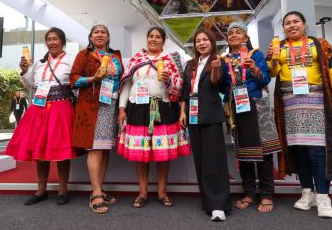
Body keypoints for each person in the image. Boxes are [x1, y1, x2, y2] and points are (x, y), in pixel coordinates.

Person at [267, 11, 332, 218]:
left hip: (317, 102)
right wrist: (274, 59)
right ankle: (306, 192)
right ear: (283, 28)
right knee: (299, 150)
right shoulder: (279, 47)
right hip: (290, 104)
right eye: (287, 23)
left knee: (317, 150)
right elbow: (272, 73)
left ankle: (323, 197)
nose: (291, 26)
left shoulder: (319, 43)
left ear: (304, 24)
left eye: (296, 22)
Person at [117, 26, 190, 208]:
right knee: (141, 154)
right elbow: (126, 85)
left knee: (162, 153)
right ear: (147, 39)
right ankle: (142, 193)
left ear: (163, 41)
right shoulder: (136, 59)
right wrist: (121, 108)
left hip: (162, 107)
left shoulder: (170, 60)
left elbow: (179, 87)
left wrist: (168, 80)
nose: (154, 39)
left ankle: (162, 192)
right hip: (137, 108)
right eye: (151, 36)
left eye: (158, 37)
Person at [5, 27, 78, 205]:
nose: (52, 42)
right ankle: (41, 190)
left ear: (62, 42)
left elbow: (76, 86)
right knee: (39, 151)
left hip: (61, 108)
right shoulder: (38, 62)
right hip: (39, 109)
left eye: (55, 39)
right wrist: (24, 72)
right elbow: (31, 87)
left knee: (62, 151)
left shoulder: (71, 60)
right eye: (49, 39)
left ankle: (62, 190)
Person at [221, 21, 280, 213]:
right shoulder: (224, 60)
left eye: (238, 32)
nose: (234, 35)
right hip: (237, 107)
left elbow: (266, 79)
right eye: (230, 33)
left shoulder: (256, 55)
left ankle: (266, 195)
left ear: (246, 37)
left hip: (258, 104)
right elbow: (222, 88)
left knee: (264, 152)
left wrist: (254, 68)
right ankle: (249, 193)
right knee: (244, 153)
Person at [179, 27, 231, 222]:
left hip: (211, 114)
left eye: (205, 40)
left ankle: (219, 205)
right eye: (198, 40)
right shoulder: (190, 64)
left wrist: (216, 68)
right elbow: (185, 89)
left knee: (214, 160)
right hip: (192, 115)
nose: (201, 43)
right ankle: (208, 201)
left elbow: (216, 83)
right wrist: (182, 112)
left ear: (212, 42)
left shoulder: (218, 62)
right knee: (200, 159)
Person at [70, 25, 123, 214]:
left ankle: (99, 187)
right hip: (91, 107)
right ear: (90, 37)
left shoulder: (116, 56)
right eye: (96, 32)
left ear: (108, 36)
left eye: (103, 32)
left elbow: (121, 79)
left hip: (111, 106)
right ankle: (96, 193)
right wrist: (92, 79)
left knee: (105, 148)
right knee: (95, 149)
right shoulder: (83, 55)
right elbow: (73, 80)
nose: (99, 34)